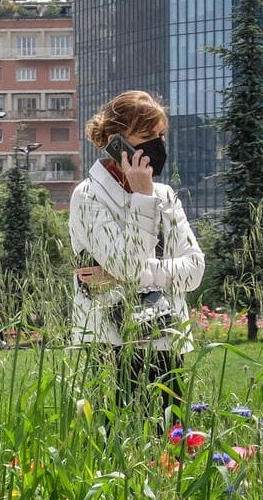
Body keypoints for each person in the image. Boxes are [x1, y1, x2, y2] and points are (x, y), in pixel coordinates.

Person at [68, 90, 205, 417]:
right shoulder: (88, 197)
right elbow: (128, 264)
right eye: (147, 137)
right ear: (118, 142)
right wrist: (143, 198)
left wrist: (129, 274)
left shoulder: (166, 195)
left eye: (160, 136)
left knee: (169, 453)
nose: (156, 146)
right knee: (115, 448)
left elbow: (195, 269)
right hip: (110, 346)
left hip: (166, 341)